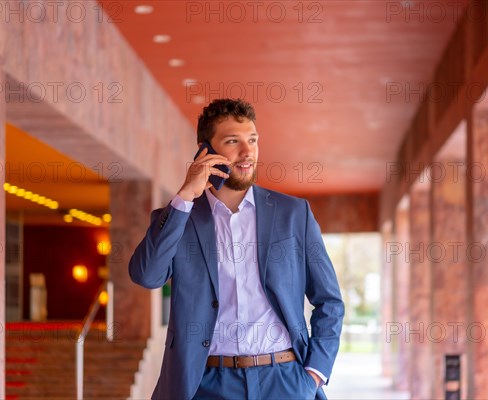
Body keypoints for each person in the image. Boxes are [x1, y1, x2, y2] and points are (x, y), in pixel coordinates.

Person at [129, 98, 344, 399]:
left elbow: (329, 301)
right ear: (206, 152)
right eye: (233, 141)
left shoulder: (293, 214)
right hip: (207, 383)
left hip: (284, 380)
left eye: (253, 141)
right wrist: (185, 195)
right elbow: (147, 275)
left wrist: (313, 375)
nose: (247, 153)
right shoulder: (181, 217)